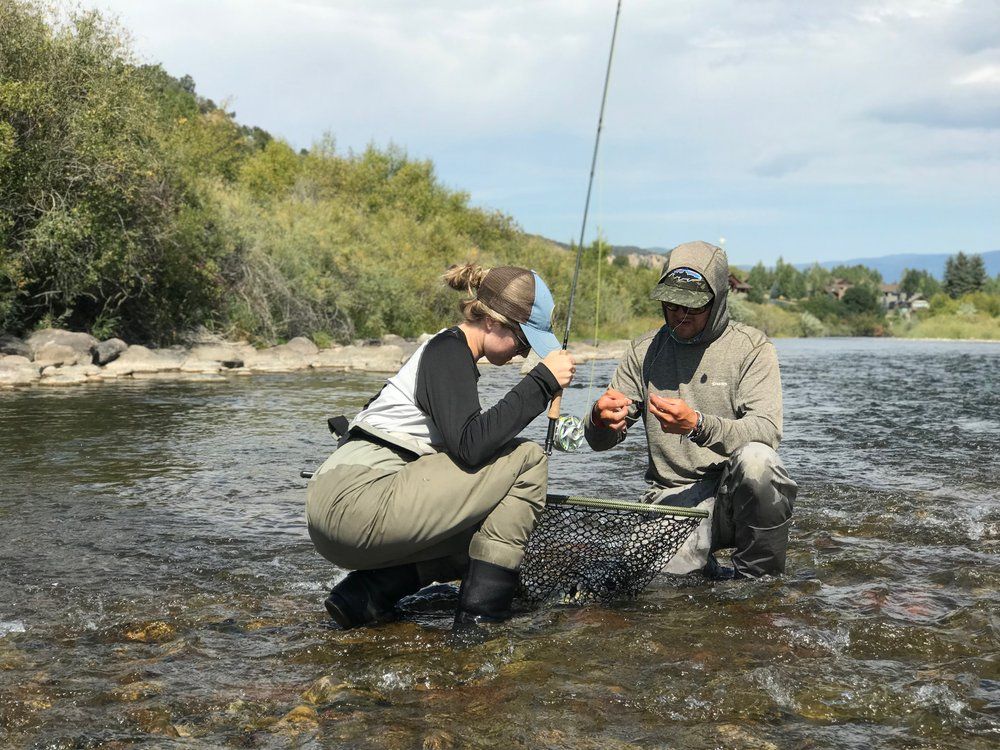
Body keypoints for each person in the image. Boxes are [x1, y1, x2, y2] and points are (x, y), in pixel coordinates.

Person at [306, 264, 575, 628]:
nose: (523, 353)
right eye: (524, 341)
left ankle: (364, 596)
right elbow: (471, 446)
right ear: (493, 322)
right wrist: (542, 383)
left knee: (481, 528)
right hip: (355, 504)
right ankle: (480, 624)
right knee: (527, 459)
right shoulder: (447, 352)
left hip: (338, 507)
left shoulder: (443, 354)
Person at [585, 241, 797, 579]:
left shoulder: (753, 349)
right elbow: (600, 442)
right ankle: (704, 569)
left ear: (717, 302)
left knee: (760, 461)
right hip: (670, 497)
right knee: (662, 593)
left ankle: (759, 585)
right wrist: (599, 420)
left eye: (692, 308)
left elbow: (766, 432)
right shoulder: (643, 351)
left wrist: (697, 425)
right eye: (672, 305)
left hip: (733, 494)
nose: (679, 316)